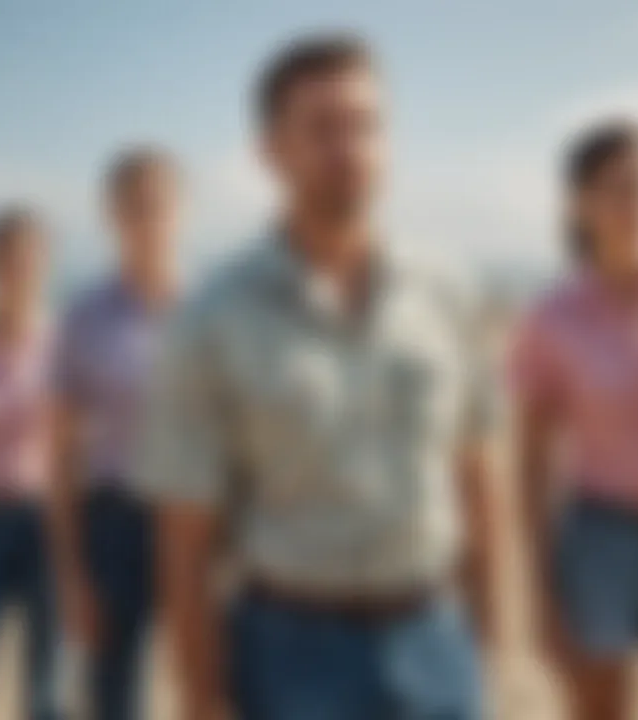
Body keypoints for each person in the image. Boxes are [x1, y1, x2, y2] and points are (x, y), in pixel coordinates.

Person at [140, 35, 498, 720]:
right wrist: (200, 697)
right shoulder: (212, 318)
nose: (351, 148)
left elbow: (476, 477)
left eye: (367, 125)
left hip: (435, 635)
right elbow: (184, 539)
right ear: (270, 151)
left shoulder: (449, 290)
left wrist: (484, 643)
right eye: (324, 129)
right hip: (289, 651)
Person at [512, 121, 638, 720]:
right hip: (599, 540)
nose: (636, 204)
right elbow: (531, 462)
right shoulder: (552, 318)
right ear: (581, 204)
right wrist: (541, 593)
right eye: (618, 188)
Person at [49, 147, 182, 720]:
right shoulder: (82, 317)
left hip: (199, 519)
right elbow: (61, 458)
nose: (147, 220)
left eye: (158, 206)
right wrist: (71, 573)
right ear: (111, 216)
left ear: (181, 212)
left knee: (219, 688)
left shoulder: (215, 312)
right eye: (133, 207)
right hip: (115, 522)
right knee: (112, 697)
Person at [0, 207, 60, 720]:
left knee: (48, 670)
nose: (18, 269)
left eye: (28, 259)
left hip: (48, 519)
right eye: (7, 258)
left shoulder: (65, 344)